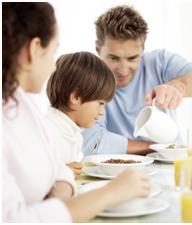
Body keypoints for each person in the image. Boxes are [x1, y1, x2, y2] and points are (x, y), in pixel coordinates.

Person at [2, 3, 150, 222]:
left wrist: (60, 191)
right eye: (53, 52)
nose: (54, 67)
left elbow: (57, 169)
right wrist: (109, 193)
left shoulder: (23, 104)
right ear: (34, 49)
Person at [82, 5, 192, 156]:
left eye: (132, 58)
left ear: (142, 50)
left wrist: (177, 87)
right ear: (98, 49)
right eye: (114, 58)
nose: (123, 70)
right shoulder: (88, 81)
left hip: (168, 167)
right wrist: (159, 148)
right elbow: (93, 143)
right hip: (118, 172)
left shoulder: (159, 62)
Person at [45, 52, 116, 177]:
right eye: (100, 103)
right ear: (76, 97)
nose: (102, 112)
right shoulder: (48, 130)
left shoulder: (72, 131)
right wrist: (59, 173)